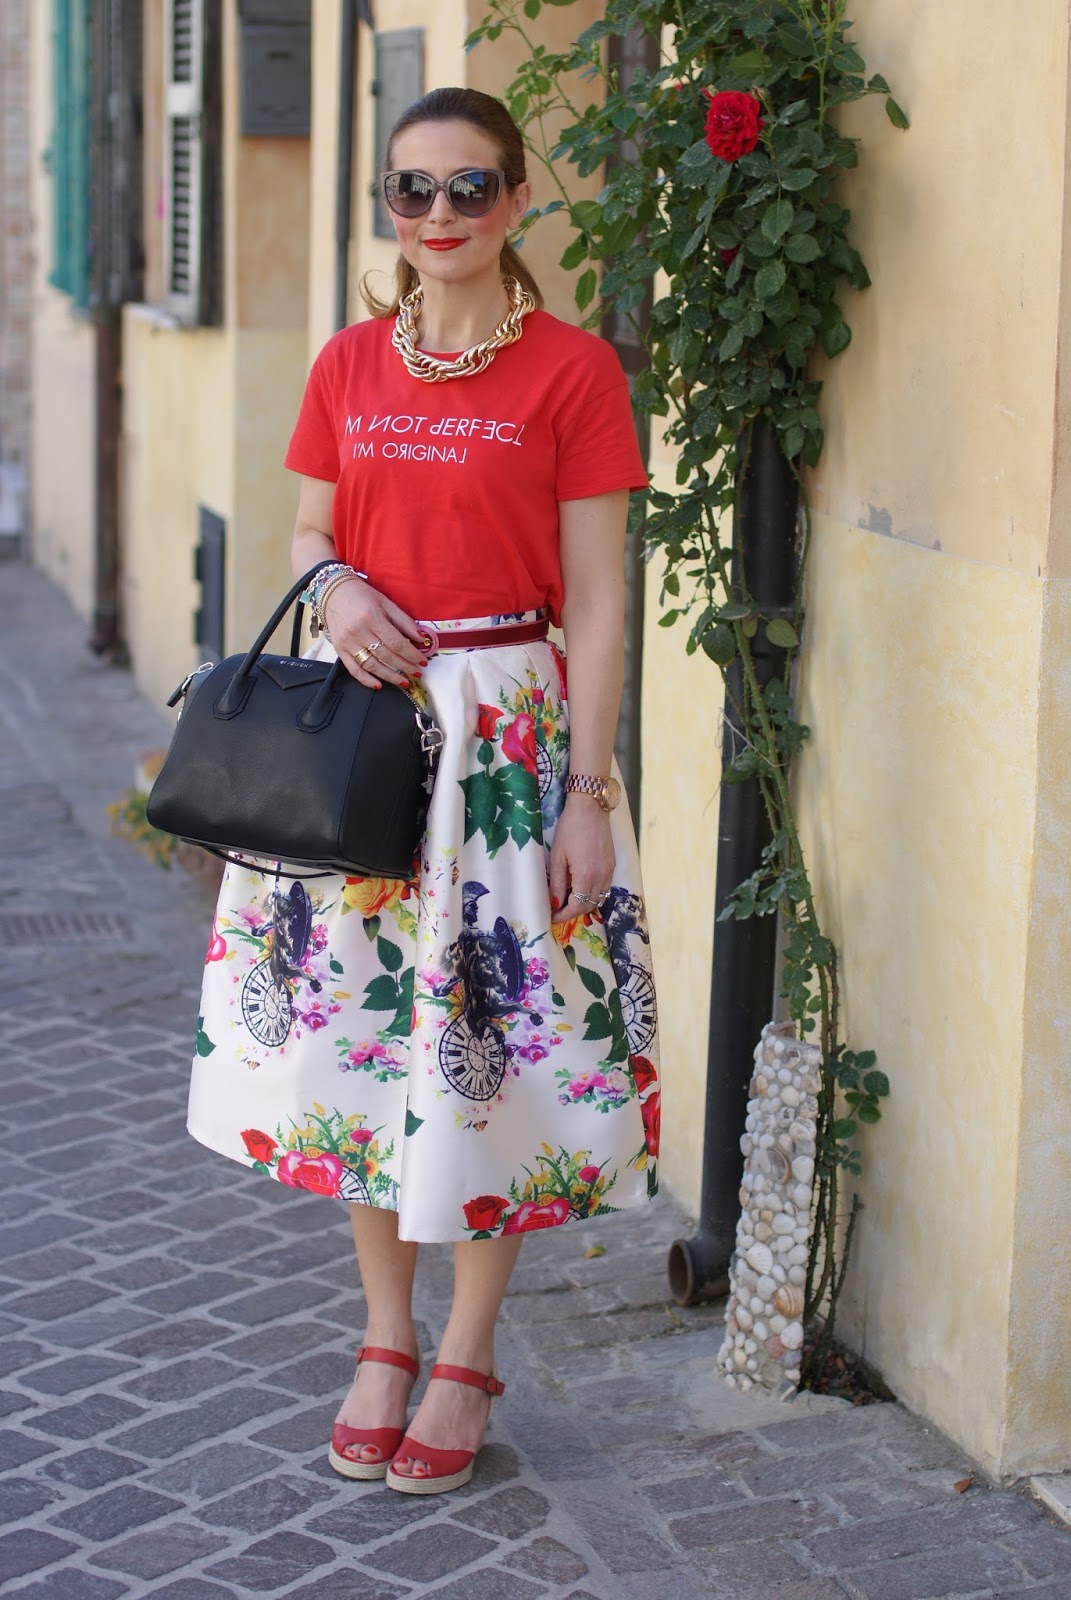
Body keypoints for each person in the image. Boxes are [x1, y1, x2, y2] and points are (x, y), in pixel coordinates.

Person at [188, 86, 660, 1496]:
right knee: (363, 1045)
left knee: (483, 1037)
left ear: (518, 202)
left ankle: (466, 1347)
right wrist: (332, 590)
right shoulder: (346, 363)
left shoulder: (575, 374)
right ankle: (381, 1341)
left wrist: (591, 788)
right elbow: (310, 532)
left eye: (469, 188)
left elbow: (599, 600)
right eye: (412, 191)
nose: (439, 216)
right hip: (360, 737)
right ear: (387, 210)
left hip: (508, 746)